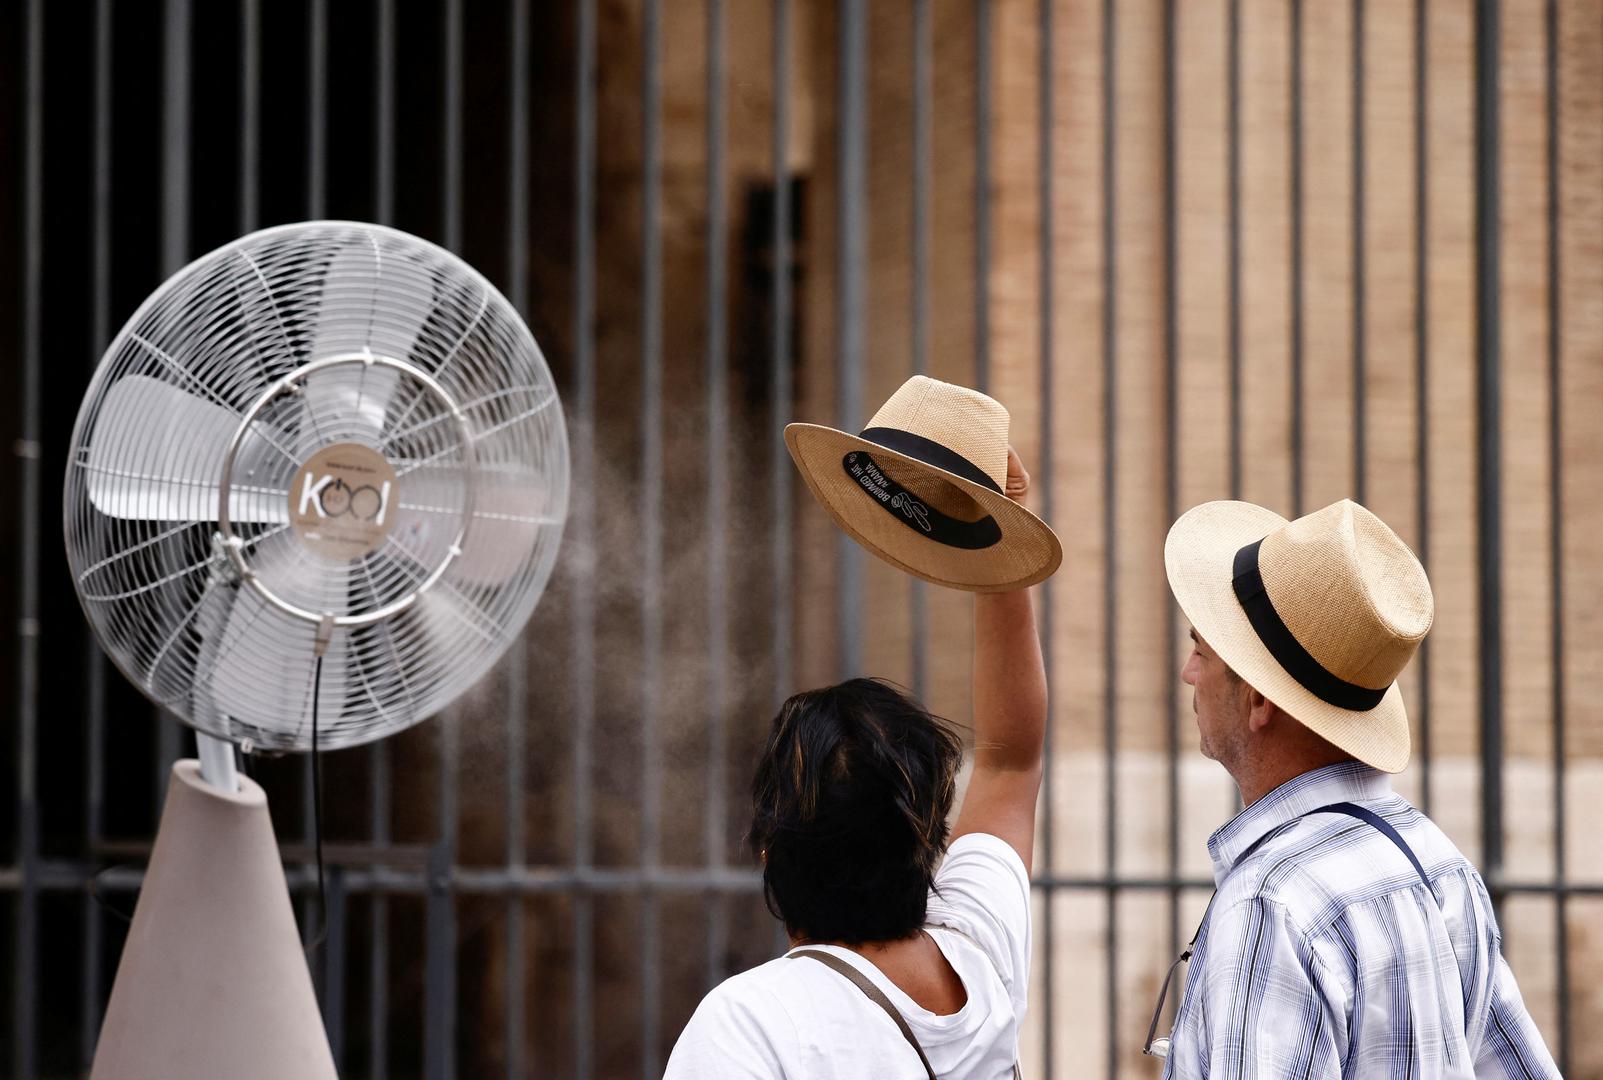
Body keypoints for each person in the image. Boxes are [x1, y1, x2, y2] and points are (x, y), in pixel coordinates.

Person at [664, 446, 1047, 1079]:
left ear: (769, 848)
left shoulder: (750, 1025)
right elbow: (1012, 761)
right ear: (925, 839)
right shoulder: (981, 961)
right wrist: (999, 533)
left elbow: (1011, 758)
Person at [1151, 497, 1560, 1078]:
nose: (1189, 672)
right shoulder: (1437, 862)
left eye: (1201, 649)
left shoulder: (1272, 904)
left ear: (1259, 699)